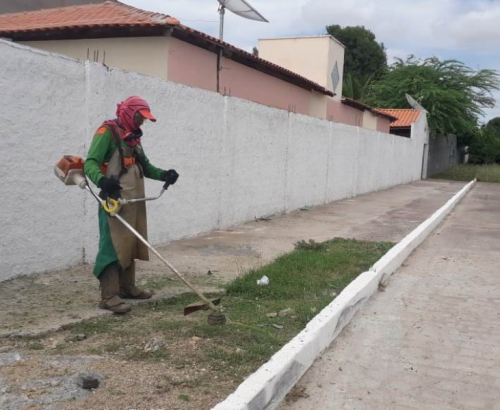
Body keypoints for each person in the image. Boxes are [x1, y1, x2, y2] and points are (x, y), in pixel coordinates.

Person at [84, 96, 179, 314]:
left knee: (130, 241)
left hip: (134, 198)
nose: (142, 123)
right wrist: (102, 181)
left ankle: (127, 288)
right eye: (140, 117)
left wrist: (164, 174)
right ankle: (109, 296)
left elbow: (145, 166)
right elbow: (90, 162)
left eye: (144, 119)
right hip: (113, 199)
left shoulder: (133, 139)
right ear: (129, 113)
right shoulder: (106, 132)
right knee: (112, 244)